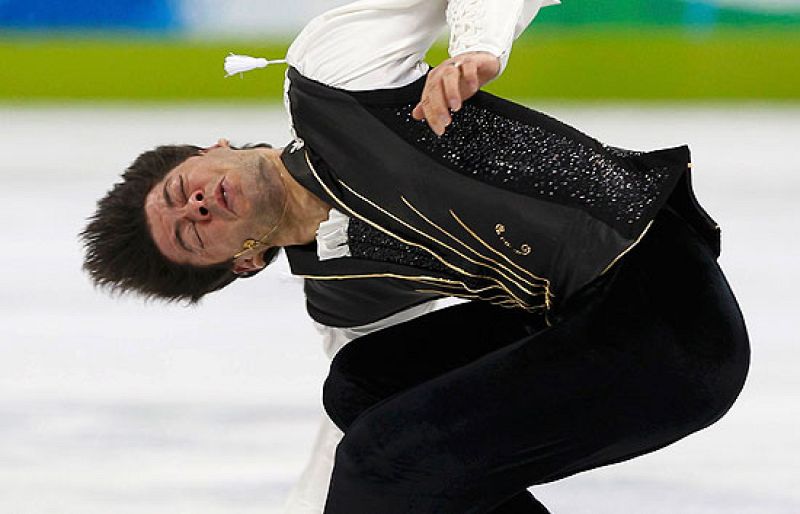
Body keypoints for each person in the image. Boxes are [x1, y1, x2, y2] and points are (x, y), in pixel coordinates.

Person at [80, 0, 750, 512]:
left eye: (179, 191)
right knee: (359, 388)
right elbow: (360, 444)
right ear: (244, 262)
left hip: (668, 315)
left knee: (384, 459)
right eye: (189, 235)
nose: (195, 208)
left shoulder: (334, 84)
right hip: (581, 323)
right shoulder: (339, 282)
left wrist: (479, 48)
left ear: (212, 146)